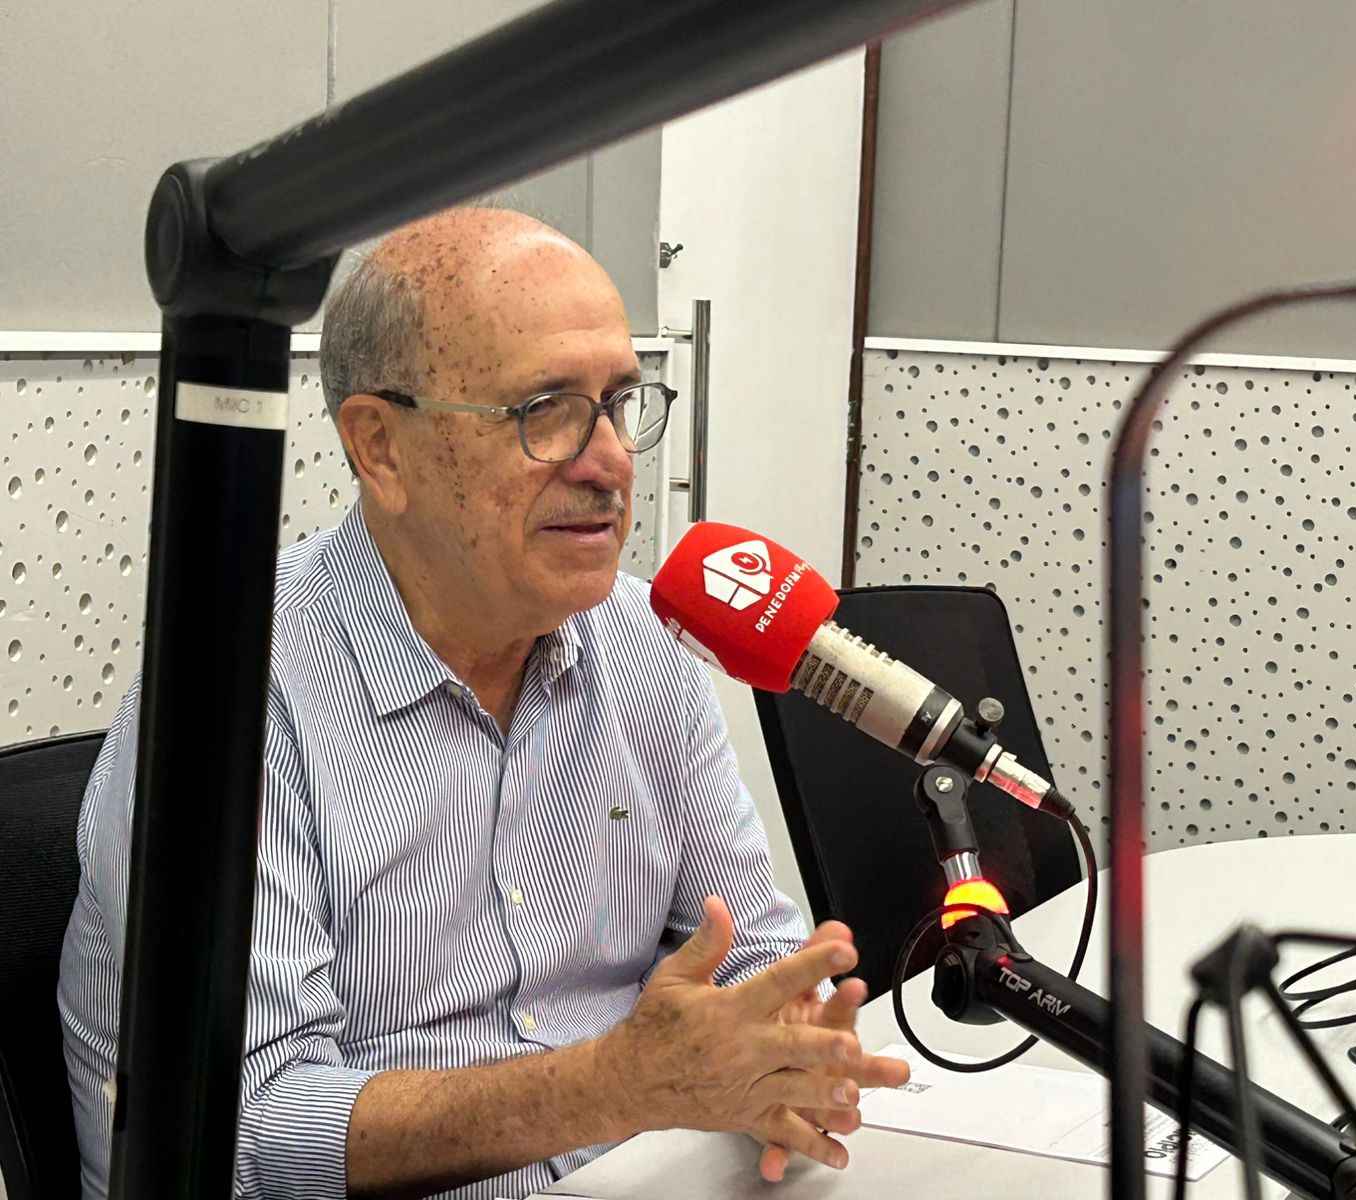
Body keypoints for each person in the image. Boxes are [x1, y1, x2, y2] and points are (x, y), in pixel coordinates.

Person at [59, 206, 908, 1200]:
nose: (610, 460)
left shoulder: (649, 646)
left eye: (619, 403)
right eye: (545, 410)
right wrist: (611, 1087)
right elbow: (246, 1135)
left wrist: (783, 1044)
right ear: (380, 448)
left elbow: (750, 951)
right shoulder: (233, 702)